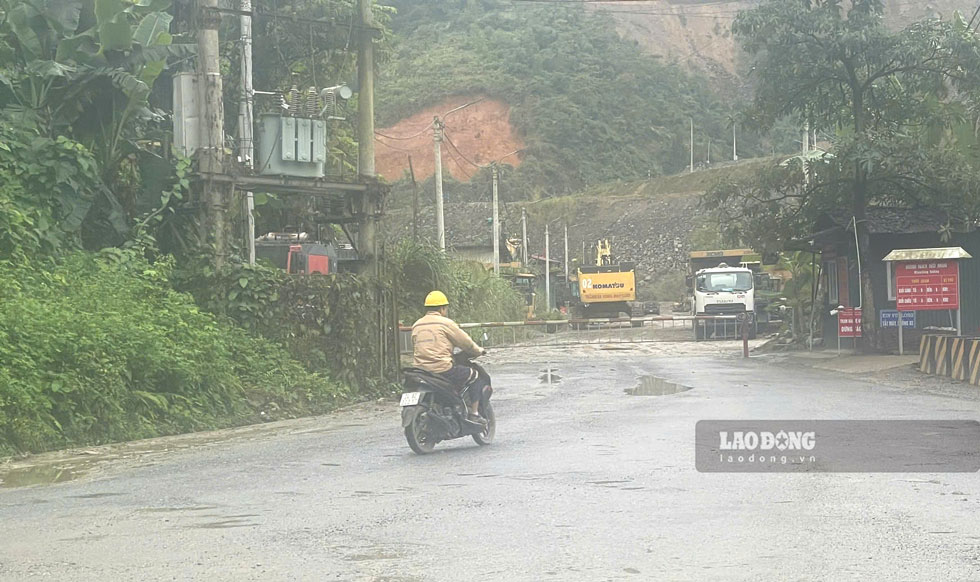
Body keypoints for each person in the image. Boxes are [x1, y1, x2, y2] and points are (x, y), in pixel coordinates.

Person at [412, 290, 488, 426]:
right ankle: (474, 414)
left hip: (420, 370)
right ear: (442, 308)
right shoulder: (446, 323)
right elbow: (466, 343)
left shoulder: (417, 325)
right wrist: (478, 351)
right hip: (442, 369)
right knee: (475, 375)